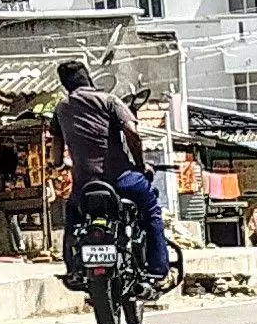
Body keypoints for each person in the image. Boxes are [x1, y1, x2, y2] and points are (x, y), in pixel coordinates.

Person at [48, 60, 170, 274]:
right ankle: (159, 270)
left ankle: (73, 269)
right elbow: (132, 133)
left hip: (85, 188)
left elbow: (56, 156)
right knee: (151, 209)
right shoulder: (109, 101)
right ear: (89, 78)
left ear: (64, 85)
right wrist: (141, 165)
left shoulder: (60, 109)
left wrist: (63, 164)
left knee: (72, 219)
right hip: (121, 181)